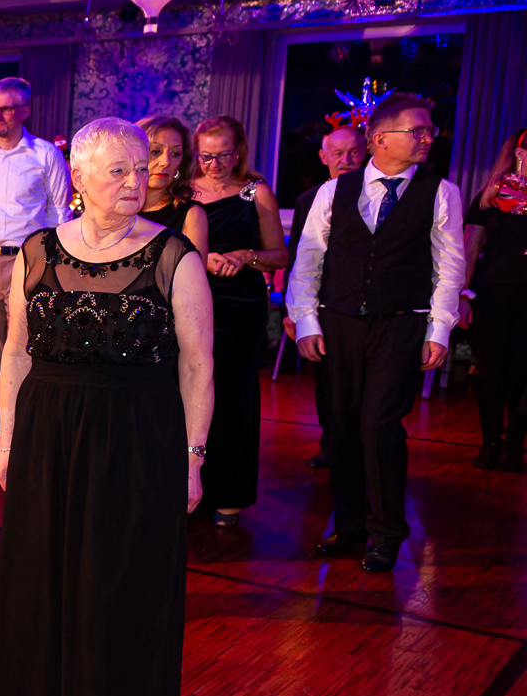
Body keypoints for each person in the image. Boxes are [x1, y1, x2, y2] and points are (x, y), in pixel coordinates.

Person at [0, 117, 213, 696]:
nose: (137, 180)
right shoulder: (39, 250)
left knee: (116, 592)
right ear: (78, 177)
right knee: (42, 579)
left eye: (143, 168)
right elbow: (16, 353)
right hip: (47, 435)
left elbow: (199, 366)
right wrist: (8, 444)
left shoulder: (174, 256)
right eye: (119, 170)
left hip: (137, 439)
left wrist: (193, 459)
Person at [287, 93, 467, 572]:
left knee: (379, 426)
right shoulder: (334, 192)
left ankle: (387, 532)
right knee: (341, 426)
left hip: (400, 323)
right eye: (417, 130)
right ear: (380, 138)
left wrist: (439, 330)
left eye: (430, 130)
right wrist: (306, 321)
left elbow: (449, 268)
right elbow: (307, 261)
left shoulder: (441, 192)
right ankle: (349, 526)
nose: (428, 138)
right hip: (338, 323)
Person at [0, 77, 74, 472]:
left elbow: (60, 213)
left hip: (30, 263)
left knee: (29, 354)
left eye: (7, 108)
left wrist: (52, 268)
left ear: (24, 110)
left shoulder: (45, 154)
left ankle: (28, 437)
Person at [186, 115, 287, 526]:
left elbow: (279, 255)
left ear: (239, 150)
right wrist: (200, 257)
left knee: (232, 394)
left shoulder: (255, 192)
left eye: (223, 155)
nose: (214, 165)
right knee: (188, 392)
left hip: (240, 304)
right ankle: (185, 489)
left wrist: (246, 256)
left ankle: (228, 494)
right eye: (206, 156)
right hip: (191, 298)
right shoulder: (183, 190)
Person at [289, 123, 370, 470]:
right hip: (322, 306)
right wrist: (295, 313)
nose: (346, 160)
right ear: (324, 157)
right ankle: (331, 444)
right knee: (327, 384)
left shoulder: (376, 196)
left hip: (366, 306)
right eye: (338, 153)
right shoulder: (309, 199)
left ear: (365, 154)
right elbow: (299, 256)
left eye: (354, 152)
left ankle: (361, 450)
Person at [460, 129, 527, 471]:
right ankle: (491, 442)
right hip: (494, 291)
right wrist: (462, 294)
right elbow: (471, 248)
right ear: (519, 154)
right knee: (492, 371)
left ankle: (515, 444)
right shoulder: (491, 195)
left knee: (523, 373)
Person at [135, 116, 211, 253]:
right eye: (155, 151)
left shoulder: (191, 215)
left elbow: (194, 268)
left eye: (175, 153)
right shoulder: (115, 209)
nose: (166, 161)